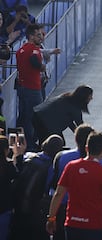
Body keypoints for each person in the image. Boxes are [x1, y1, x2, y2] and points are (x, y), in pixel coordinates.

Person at [46, 131, 102, 240]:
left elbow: (58, 194)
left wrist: (51, 218)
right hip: (94, 226)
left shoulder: (71, 167)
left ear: (86, 148)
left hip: (72, 223)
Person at [10, 134, 64, 240]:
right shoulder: (51, 168)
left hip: (17, 207)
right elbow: (51, 191)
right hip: (36, 212)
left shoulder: (28, 156)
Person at [51, 123, 95, 240]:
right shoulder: (101, 162)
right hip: (91, 212)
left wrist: (51, 216)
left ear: (75, 139)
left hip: (64, 210)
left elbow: (54, 186)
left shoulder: (61, 157)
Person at [16, 23, 45, 151]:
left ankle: (21, 143)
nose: (41, 37)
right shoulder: (34, 49)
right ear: (31, 36)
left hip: (22, 88)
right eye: (38, 35)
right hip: (32, 89)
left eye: (42, 34)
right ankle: (30, 147)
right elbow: (34, 61)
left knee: (23, 117)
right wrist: (41, 67)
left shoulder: (21, 49)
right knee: (32, 118)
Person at [0, 134, 25, 240]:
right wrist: (18, 156)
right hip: (4, 208)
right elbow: (20, 177)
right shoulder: (8, 166)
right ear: (6, 150)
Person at [38, 24, 61, 100]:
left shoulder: (41, 45)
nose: (42, 37)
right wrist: (52, 51)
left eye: (44, 34)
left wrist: (47, 75)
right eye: (41, 34)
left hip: (42, 82)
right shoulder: (32, 47)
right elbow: (40, 51)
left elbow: (47, 60)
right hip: (35, 84)